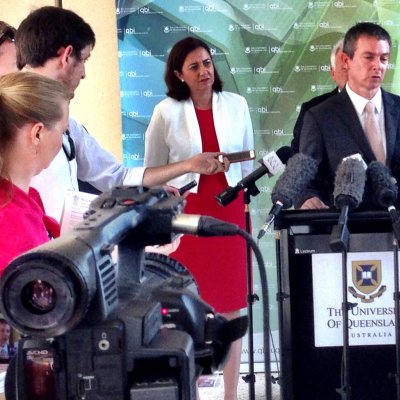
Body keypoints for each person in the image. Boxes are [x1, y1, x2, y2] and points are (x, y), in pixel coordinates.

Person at [16, 6, 228, 222]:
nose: (84, 74)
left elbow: (118, 176)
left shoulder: (71, 129)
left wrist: (188, 166)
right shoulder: (10, 121)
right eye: (85, 60)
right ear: (67, 56)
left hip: (62, 250)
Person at [144, 36, 254, 400]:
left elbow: (248, 162)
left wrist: (246, 204)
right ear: (179, 74)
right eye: (194, 66)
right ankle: (186, 389)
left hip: (230, 209)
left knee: (234, 305)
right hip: (188, 215)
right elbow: (154, 169)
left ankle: (230, 393)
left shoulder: (236, 104)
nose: (205, 71)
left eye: (207, 63)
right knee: (187, 304)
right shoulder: (166, 111)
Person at [298, 22, 400, 209]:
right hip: (347, 229)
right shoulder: (320, 116)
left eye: (384, 59)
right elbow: (307, 181)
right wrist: (308, 198)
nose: (377, 66)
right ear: (346, 61)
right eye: (368, 57)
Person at [0, 71, 70, 273]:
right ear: (37, 133)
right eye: (63, 131)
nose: (62, 140)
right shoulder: (14, 226)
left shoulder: (26, 199)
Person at [291, 38, 347, 153]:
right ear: (333, 73)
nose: (351, 73)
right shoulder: (312, 109)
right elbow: (298, 155)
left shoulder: (392, 106)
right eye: (344, 69)